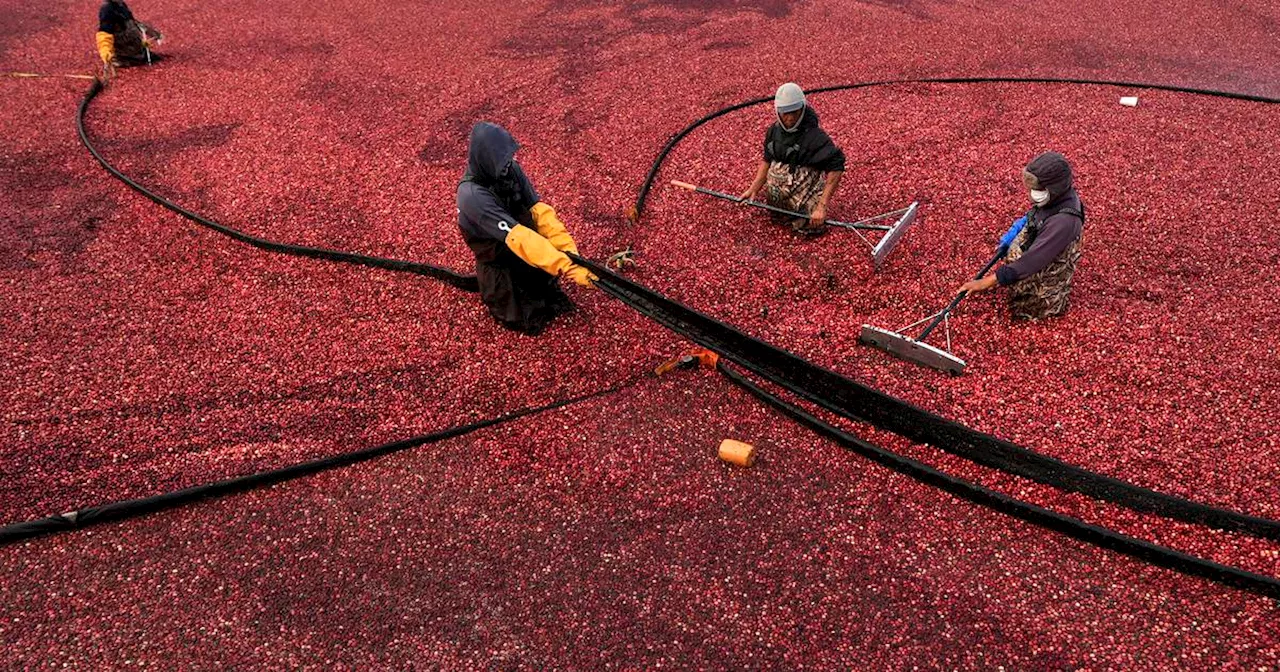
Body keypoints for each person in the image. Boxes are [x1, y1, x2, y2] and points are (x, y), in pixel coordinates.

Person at [456, 122, 595, 335]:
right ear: (486, 159)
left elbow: (540, 212)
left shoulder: (511, 170)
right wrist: (564, 266)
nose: (508, 164)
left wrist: (571, 255)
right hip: (500, 259)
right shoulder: (472, 196)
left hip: (525, 248)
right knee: (525, 316)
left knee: (548, 293)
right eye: (502, 160)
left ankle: (540, 280)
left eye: (508, 158)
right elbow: (518, 237)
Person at [959, 151, 1085, 320]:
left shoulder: (1064, 222)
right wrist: (1017, 230)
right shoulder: (1057, 198)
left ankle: (1033, 305)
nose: (1032, 193)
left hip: (1043, 279)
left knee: (1032, 303)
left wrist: (987, 282)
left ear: (1054, 188)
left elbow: (1033, 260)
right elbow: (1038, 215)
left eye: (1038, 189)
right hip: (1035, 255)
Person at [738, 82, 846, 235]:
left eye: (795, 112)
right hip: (779, 199)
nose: (790, 118)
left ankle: (805, 213)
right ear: (777, 111)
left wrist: (822, 206)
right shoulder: (773, 131)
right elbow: (767, 159)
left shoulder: (815, 138)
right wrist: (753, 188)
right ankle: (782, 208)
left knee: (811, 225)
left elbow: (836, 167)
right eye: (785, 112)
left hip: (804, 198)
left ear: (802, 109)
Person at [94, 0, 163, 82]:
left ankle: (138, 52)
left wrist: (145, 40)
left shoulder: (122, 5)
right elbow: (104, 34)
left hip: (137, 52)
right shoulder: (107, 10)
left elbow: (134, 23)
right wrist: (106, 52)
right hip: (124, 57)